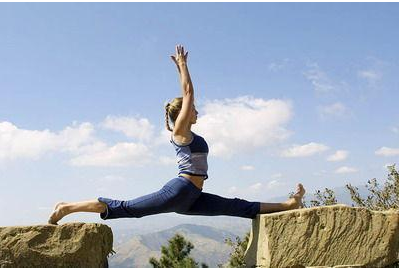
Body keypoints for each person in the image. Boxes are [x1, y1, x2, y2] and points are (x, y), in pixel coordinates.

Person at [48, 45, 305, 225]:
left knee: (237, 206)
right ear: (183, 113)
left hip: (191, 199)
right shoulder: (181, 132)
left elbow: (190, 99)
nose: (197, 111)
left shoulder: (188, 133)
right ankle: (66, 207)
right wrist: (183, 66)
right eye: (192, 110)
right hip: (179, 190)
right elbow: (189, 92)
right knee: (126, 208)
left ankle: (289, 205)